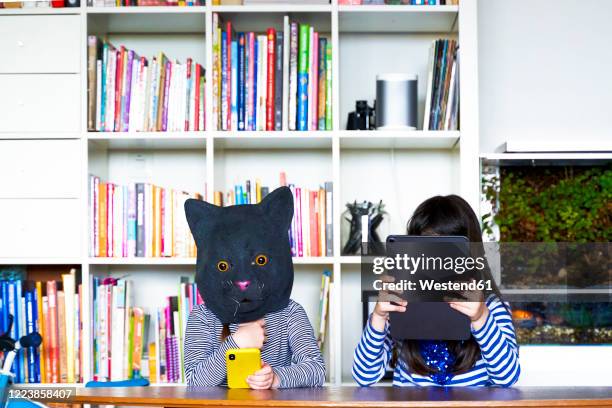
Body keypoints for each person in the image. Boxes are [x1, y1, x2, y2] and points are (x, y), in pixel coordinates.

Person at [352, 195, 520, 387]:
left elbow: (507, 378)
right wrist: (379, 317)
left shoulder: (491, 306)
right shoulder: (400, 303)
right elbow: (364, 376)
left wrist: (481, 318)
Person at [183, 187, 325, 389]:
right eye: (224, 266)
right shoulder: (203, 317)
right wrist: (236, 342)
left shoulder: (290, 313)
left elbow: (316, 370)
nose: (243, 281)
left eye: (259, 260)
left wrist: (276, 378)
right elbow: (195, 382)